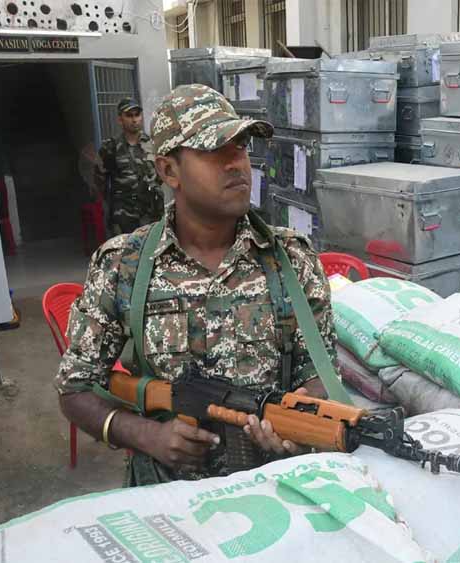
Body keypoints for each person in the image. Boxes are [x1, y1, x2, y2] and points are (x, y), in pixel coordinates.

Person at [56, 84, 335, 485]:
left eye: (240, 147)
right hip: (166, 498)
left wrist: (298, 420)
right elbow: (74, 389)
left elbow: (321, 373)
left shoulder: (293, 260)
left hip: (275, 489)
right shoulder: (122, 265)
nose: (237, 164)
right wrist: (145, 434)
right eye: (215, 150)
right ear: (169, 171)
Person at [96, 98, 165, 235]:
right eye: (129, 115)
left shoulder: (153, 144)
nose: (134, 120)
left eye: (137, 115)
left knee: (153, 247)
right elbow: (100, 181)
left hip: (151, 214)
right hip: (124, 216)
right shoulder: (110, 148)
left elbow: (162, 173)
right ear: (120, 119)